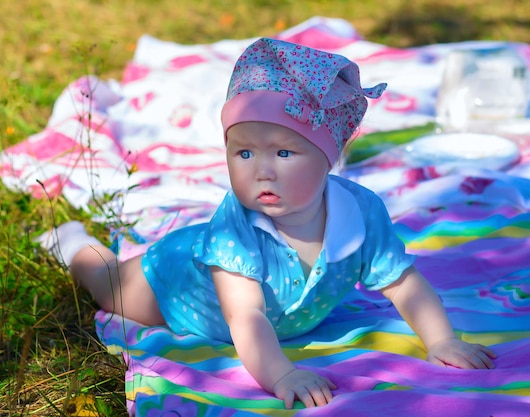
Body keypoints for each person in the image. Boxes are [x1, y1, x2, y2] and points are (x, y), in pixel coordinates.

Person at [37, 38, 497, 409]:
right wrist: (282, 374)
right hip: (173, 285)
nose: (262, 170)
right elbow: (246, 314)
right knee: (108, 284)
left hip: (279, 313)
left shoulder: (360, 214)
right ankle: (73, 241)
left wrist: (442, 339)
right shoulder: (236, 224)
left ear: (328, 158)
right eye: (243, 152)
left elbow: (404, 282)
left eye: (282, 152)